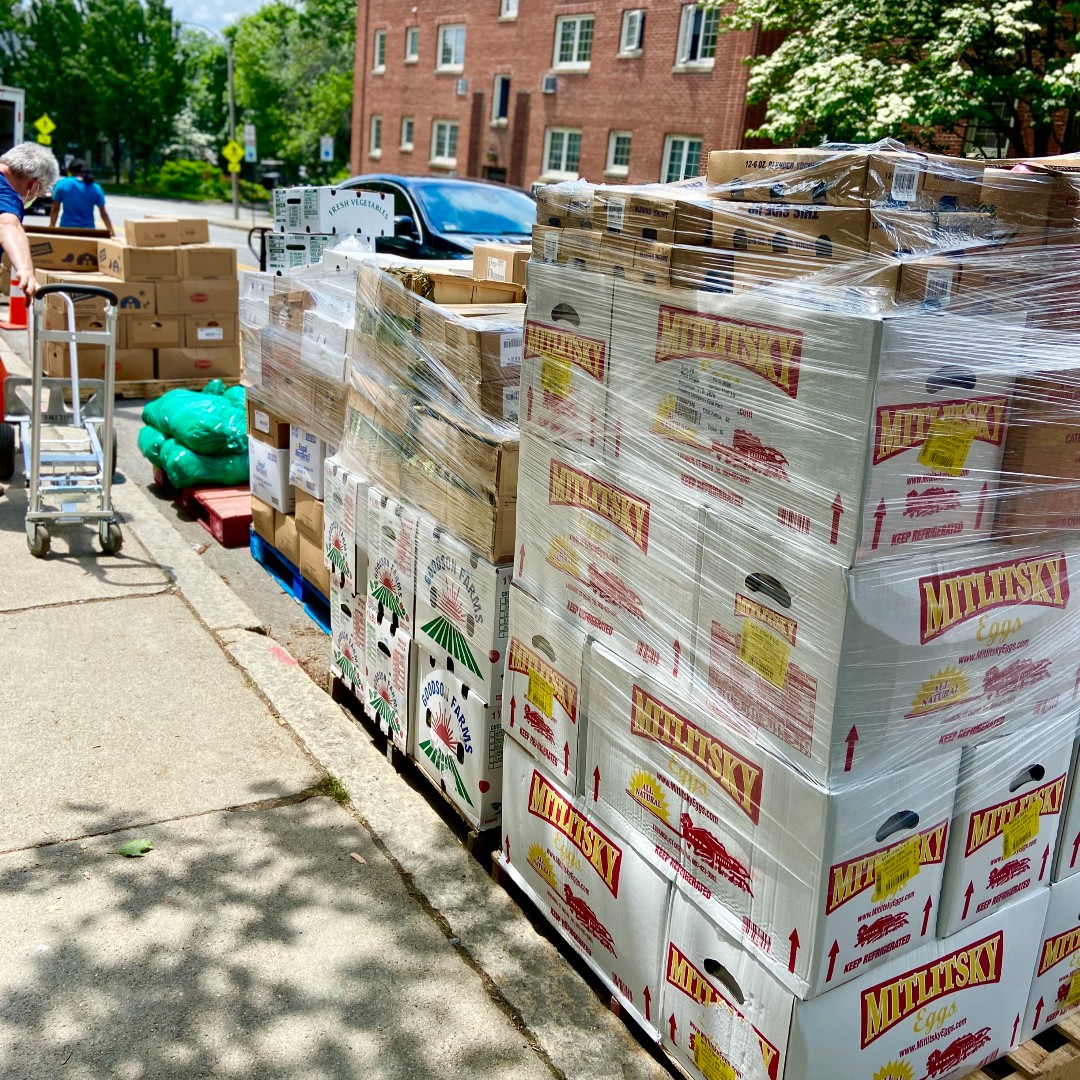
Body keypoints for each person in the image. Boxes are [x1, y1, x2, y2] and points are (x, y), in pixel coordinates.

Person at [0, 142, 59, 300]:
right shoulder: (6, 194)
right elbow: (8, 224)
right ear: (34, 185)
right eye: (38, 193)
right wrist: (25, 269)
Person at [49, 158, 113, 235]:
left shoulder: (62, 184)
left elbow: (55, 209)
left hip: (66, 231)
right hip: (88, 232)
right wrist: (111, 231)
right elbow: (103, 214)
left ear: (70, 171)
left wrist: (51, 226)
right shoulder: (95, 188)